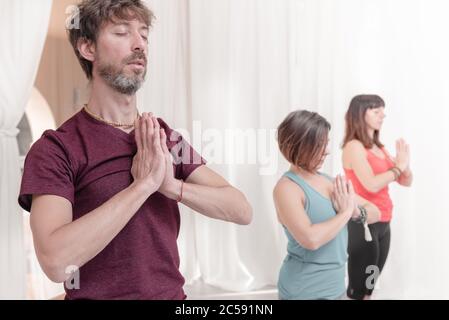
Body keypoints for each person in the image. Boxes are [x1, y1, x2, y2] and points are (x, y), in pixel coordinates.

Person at [18, 0, 252, 300]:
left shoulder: (162, 137)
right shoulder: (57, 149)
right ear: (88, 49)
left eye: (144, 34)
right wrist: (142, 187)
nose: (139, 44)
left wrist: (171, 186)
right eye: (122, 32)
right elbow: (56, 262)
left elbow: (242, 210)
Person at [273, 110, 381, 300]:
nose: (327, 150)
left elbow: (376, 212)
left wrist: (356, 212)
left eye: (326, 143)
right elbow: (311, 239)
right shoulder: (287, 188)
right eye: (319, 145)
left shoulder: (330, 182)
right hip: (302, 292)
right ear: (298, 146)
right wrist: (346, 212)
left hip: (336, 289)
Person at [342, 94, 413, 300]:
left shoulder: (379, 148)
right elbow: (371, 184)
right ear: (360, 114)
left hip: (384, 220)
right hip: (364, 220)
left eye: (383, 110)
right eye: (376, 110)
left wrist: (404, 166)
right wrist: (397, 168)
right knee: (359, 282)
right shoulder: (353, 146)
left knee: (371, 280)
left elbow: (406, 181)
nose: (383, 114)